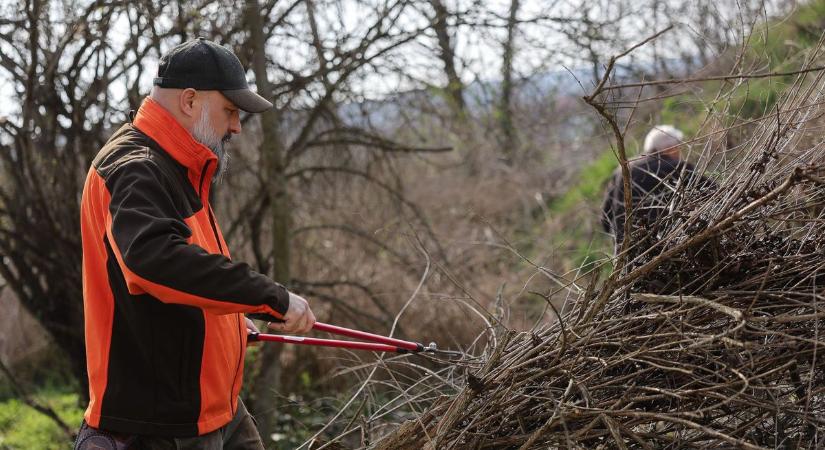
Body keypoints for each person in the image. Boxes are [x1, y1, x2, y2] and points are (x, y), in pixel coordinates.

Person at [75, 37, 316, 450]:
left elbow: (186, 277)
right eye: (230, 111)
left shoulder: (179, 163)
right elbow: (155, 262)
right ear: (189, 100)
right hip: (164, 425)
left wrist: (225, 319)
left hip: (217, 409)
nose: (237, 126)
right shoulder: (136, 168)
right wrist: (270, 297)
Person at [601, 125, 710, 250]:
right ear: (670, 148)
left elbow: (606, 219)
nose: (680, 150)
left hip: (626, 255)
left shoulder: (622, 170)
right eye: (679, 146)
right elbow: (714, 193)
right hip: (664, 250)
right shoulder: (678, 168)